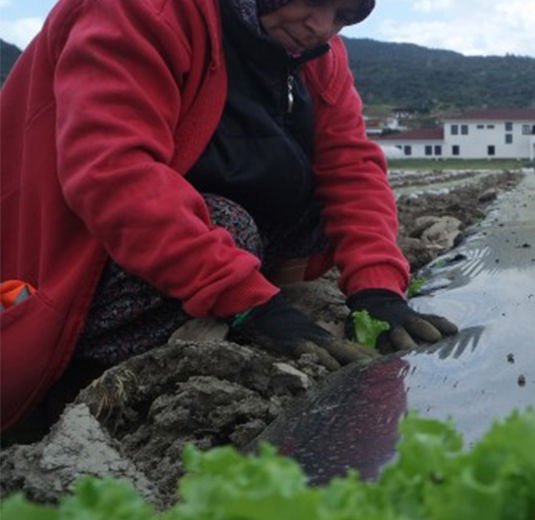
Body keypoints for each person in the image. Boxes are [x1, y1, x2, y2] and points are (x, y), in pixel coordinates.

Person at [0, 0, 457, 436]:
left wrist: (377, 287)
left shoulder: (317, 53)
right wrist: (250, 303)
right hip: (70, 255)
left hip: (187, 233)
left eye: (345, 14)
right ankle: (77, 390)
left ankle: (244, 315)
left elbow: (351, 166)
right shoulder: (142, 11)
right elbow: (114, 174)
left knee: (313, 201)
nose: (322, 25)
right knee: (227, 228)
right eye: (314, 1)